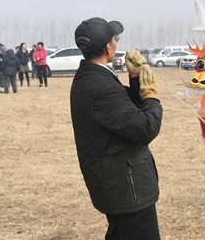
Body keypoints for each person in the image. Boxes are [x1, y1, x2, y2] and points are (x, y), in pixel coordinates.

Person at [70, 17, 163, 240]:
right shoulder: (101, 86)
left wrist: (135, 78)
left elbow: (121, 112)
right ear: (108, 47)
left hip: (115, 183)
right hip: (126, 190)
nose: (116, 43)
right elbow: (146, 128)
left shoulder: (90, 77)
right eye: (115, 38)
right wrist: (151, 96)